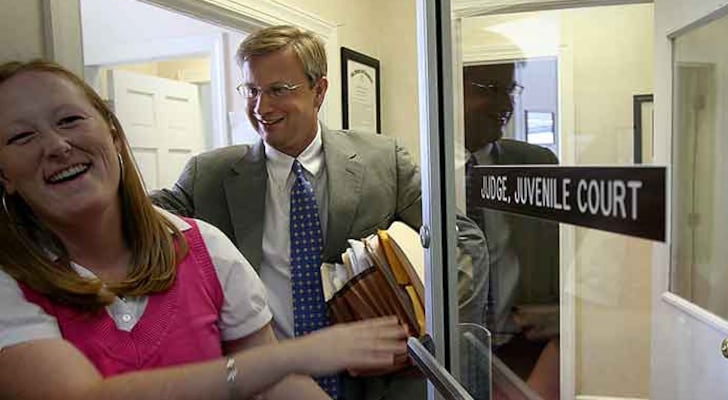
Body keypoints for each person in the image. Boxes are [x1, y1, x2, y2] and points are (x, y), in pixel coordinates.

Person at [0, 60, 408, 400]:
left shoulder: (205, 247)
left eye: (69, 120)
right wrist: (294, 355)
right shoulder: (10, 284)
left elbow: (277, 385)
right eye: (22, 136)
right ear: (4, 175)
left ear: (113, 131)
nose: (55, 146)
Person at [152, 25, 487, 400]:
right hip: (269, 386)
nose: (261, 108)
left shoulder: (383, 160)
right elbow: (138, 219)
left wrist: (420, 336)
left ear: (319, 90)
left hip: (379, 388)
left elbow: (464, 243)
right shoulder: (209, 176)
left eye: (279, 90)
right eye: (252, 90)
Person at [463, 62, 560, 400]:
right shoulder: (417, 168)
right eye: (490, 89)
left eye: (510, 90)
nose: (505, 105)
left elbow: (574, 260)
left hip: (526, 355)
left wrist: (564, 315)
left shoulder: (539, 164)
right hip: (447, 359)